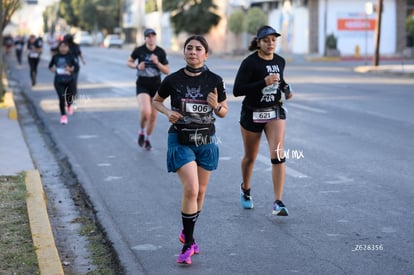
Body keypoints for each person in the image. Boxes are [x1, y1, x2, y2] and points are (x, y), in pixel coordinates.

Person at [153, 35, 228, 265]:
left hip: (206, 141)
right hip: (181, 139)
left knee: (201, 192)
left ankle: (189, 233)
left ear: (206, 54)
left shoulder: (214, 80)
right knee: (191, 188)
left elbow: (224, 111)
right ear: (184, 52)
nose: (193, 52)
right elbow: (156, 101)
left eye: (198, 49)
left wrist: (216, 106)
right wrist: (168, 113)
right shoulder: (173, 79)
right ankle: (187, 246)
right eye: (189, 48)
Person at [233, 25, 293, 216]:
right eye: (266, 40)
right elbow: (237, 90)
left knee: (278, 154)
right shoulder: (249, 63)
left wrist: (286, 89)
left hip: (274, 111)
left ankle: (278, 202)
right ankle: (246, 189)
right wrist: (263, 82)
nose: (270, 43)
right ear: (258, 42)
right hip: (252, 112)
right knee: (250, 157)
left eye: (274, 40)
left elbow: (280, 81)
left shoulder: (280, 61)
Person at [127, 28, 170, 150]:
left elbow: (167, 70)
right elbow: (129, 62)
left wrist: (157, 63)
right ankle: (141, 131)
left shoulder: (160, 52)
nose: (151, 38)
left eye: (153, 36)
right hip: (142, 84)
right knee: (146, 112)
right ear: (145, 38)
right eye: (148, 36)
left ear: (155, 38)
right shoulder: (139, 50)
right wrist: (136, 66)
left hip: (156, 86)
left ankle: (147, 139)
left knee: (153, 116)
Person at [48, 41, 79, 125]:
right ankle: (63, 116)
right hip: (59, 80)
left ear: (68, 48)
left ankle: (69, 105)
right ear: (59, 48)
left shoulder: (71, 57)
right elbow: (50, 66)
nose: (63, 48)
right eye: (61, 47)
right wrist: (52, 70)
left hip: (69, 80)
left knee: (70, 96)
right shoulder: (55, 57)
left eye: (65, 47)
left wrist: (70, 69)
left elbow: (77, 68)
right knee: (61, 98)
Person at [63, 34, 86, 108]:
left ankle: (73, 101)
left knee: (73, 83)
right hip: (66, 67)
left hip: (74, 67)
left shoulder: (75, 46)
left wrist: (83, 60)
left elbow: (79, 53)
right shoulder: (64, 46)